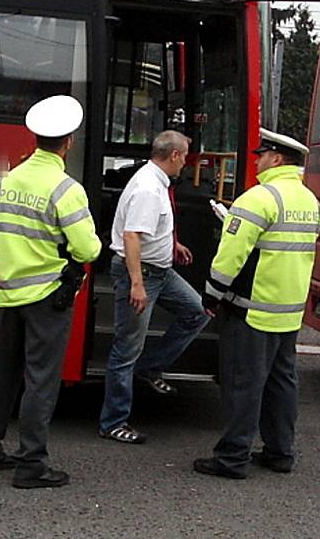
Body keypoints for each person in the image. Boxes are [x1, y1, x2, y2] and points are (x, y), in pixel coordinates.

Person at [0, 95, 102, 489]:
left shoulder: (9, 179)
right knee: (40, 380)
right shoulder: (66, 189)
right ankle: (32, 465)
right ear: (69, 142)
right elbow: (88, 249)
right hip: (47, 296)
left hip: (10, 291)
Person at [193, 129, 320, 479]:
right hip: (289, 309)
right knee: (282, 382)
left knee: (243, 384)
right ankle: (280, 453)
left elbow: (229, 257)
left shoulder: (258, 198)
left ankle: (232, 458)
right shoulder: (311, 202)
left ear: (277, 159)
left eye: (261, 154)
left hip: (252, 308)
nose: (256, 160)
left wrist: (212, 294)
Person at [99, 130, 210, 444]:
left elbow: (153, 226)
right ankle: (113, 421)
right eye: (184, 157)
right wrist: (136, 284)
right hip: (144, 274)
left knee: (197, 312)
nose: (185, 164)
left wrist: (172, 244)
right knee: (126, 349)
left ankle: (150, 368)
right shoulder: (148, 188)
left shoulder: (156, 182)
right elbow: (132, 235)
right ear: (174, 155)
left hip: (160, 271)